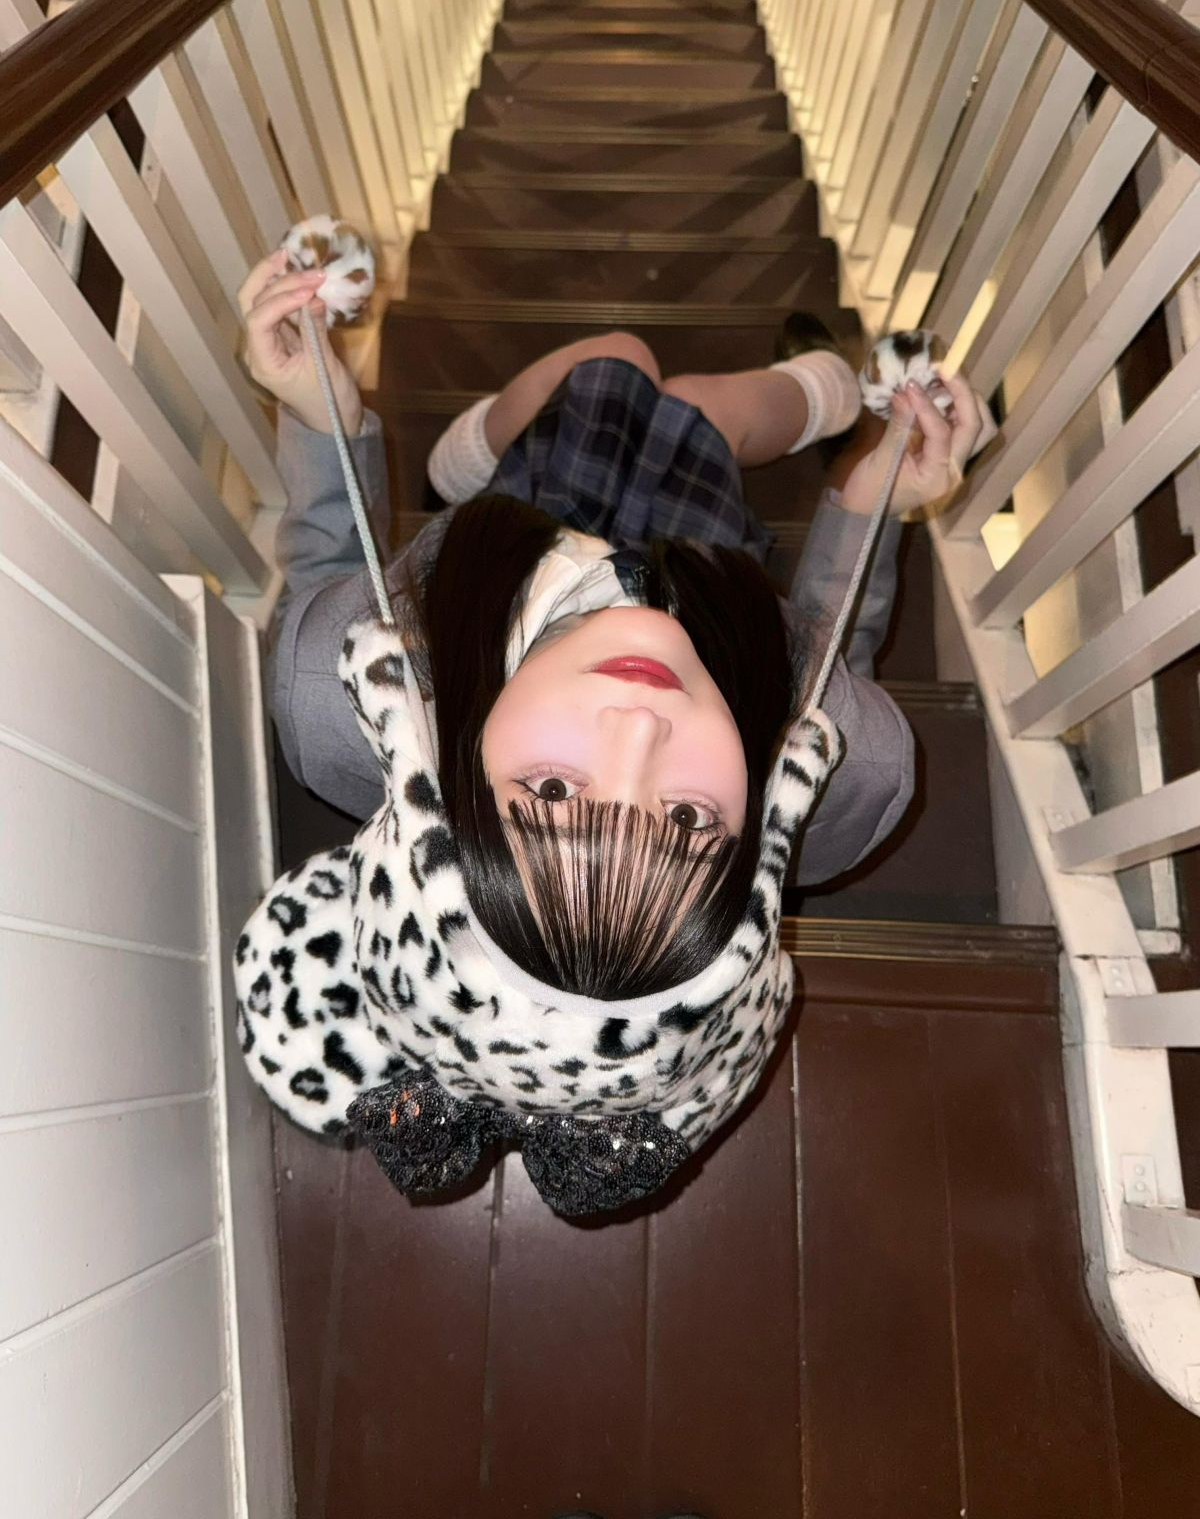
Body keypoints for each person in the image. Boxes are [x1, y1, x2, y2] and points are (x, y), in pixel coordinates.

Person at [232, 251, 982, 1212]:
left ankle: (470, 458)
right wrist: (870, 504)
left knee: (612, 360)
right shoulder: (843, 765)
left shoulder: (337, 687)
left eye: (551, 793)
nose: (641, 726)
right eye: (688, 821)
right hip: (702, 577)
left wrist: (318, 416)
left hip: (508, 540)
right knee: (703, 413)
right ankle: (816, 391)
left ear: (447, 782)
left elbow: (341, 574)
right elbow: (815, 664)